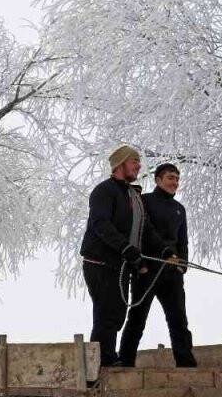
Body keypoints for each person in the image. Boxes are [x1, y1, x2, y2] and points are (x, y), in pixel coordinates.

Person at [80, 145, 172, 367]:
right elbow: (100, 224)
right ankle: (102, 364)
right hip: (100, 262)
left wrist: (165, 250)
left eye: (138, 161)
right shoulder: (104, 191)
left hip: (122, 264)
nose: (138, 166)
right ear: (120, 164)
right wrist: (125, 248)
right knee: (107, 312)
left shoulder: (133, 196)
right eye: (134, 161)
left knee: (118, 313)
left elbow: (146, 229)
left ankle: (106, 359)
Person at [118, 163, 198, 367]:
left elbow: (183, 241)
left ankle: (186, 363)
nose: (175, 183)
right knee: (137, 318)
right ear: (158, 180)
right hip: (148, 269)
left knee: (179, 320)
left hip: (172, 273)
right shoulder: (144, 202)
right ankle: (125, 361)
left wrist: (183, 264)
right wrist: (162, 254)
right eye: (171, 178)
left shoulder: (180, 209)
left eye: (177, 179)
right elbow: (145, 231)